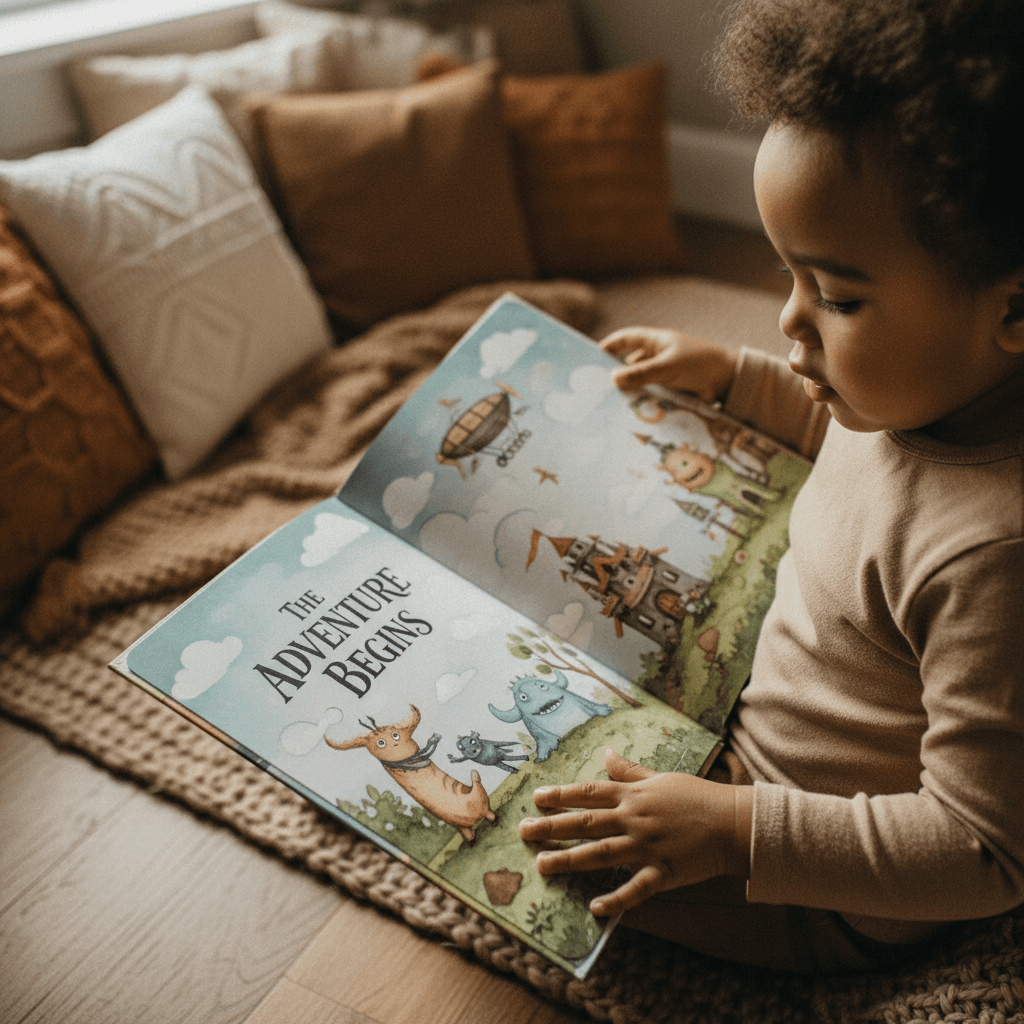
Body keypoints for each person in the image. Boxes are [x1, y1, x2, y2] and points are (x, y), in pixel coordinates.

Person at [518, 0, 1024, 972]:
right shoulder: (909, 394)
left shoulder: (995, 558)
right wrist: (734, 378)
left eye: (835, 295)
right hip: (743, 746)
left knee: (521, 839)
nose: (791, 320)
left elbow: (982, 851)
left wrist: (732, 829)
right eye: (784, 275)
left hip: (817, 886)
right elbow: (841, 444)